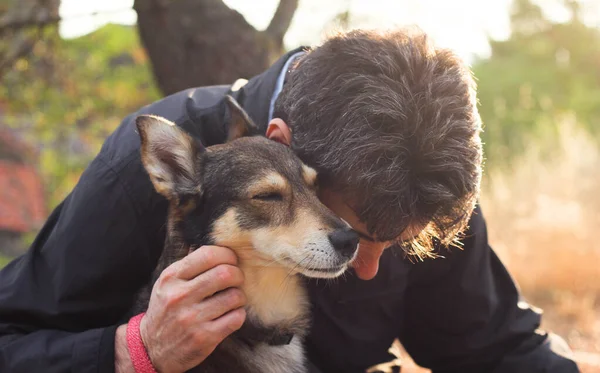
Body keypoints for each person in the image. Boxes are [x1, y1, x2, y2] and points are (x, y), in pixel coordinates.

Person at [0, 28, 579, 373]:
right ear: (282, 148)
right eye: (356, 233)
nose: (370, 267)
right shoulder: (164, 164)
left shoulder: (419, 177)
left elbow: (497, 347)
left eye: (398, 246)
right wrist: (136, 350)